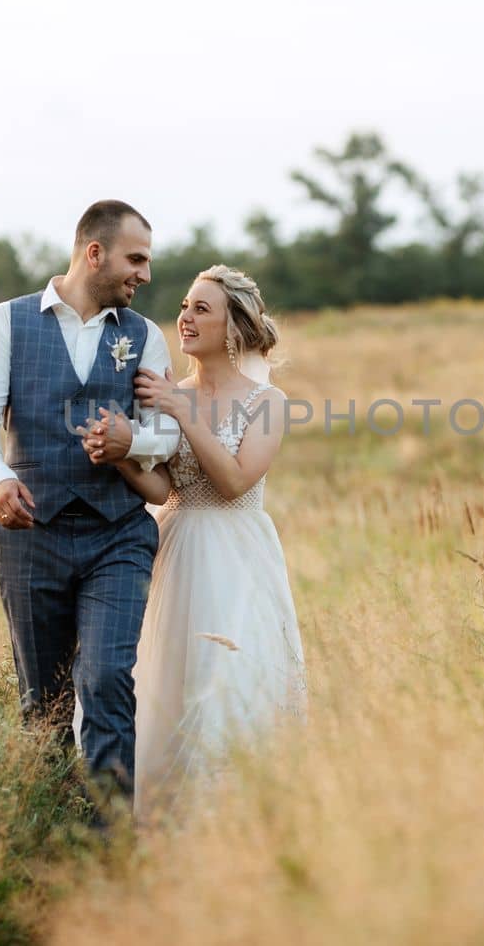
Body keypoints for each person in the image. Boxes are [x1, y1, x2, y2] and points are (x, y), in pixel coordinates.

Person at [0, 199, 179, 815]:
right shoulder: (5, 322)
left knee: (106, 681)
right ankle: (51, 840)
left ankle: (108, 841)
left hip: (118, 535)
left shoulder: (144, 337)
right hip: (32, 535)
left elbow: (168, 435)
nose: (146, 275)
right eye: (136, 259)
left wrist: (134, 441)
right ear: (94, 253)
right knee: (43, 701)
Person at [81, 264, 306, 818]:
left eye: (201, 308)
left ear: (235, 327)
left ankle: (233, 821)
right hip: (175, 547)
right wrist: (120, 458)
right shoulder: (168, 392)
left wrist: (184, 412)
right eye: (184, 305)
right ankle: (158, 828)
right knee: (164, 685)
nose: (184, 316)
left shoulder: (267, 402)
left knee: (226, 685)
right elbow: (162, 488)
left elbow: (233, 482)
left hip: (236, 556)